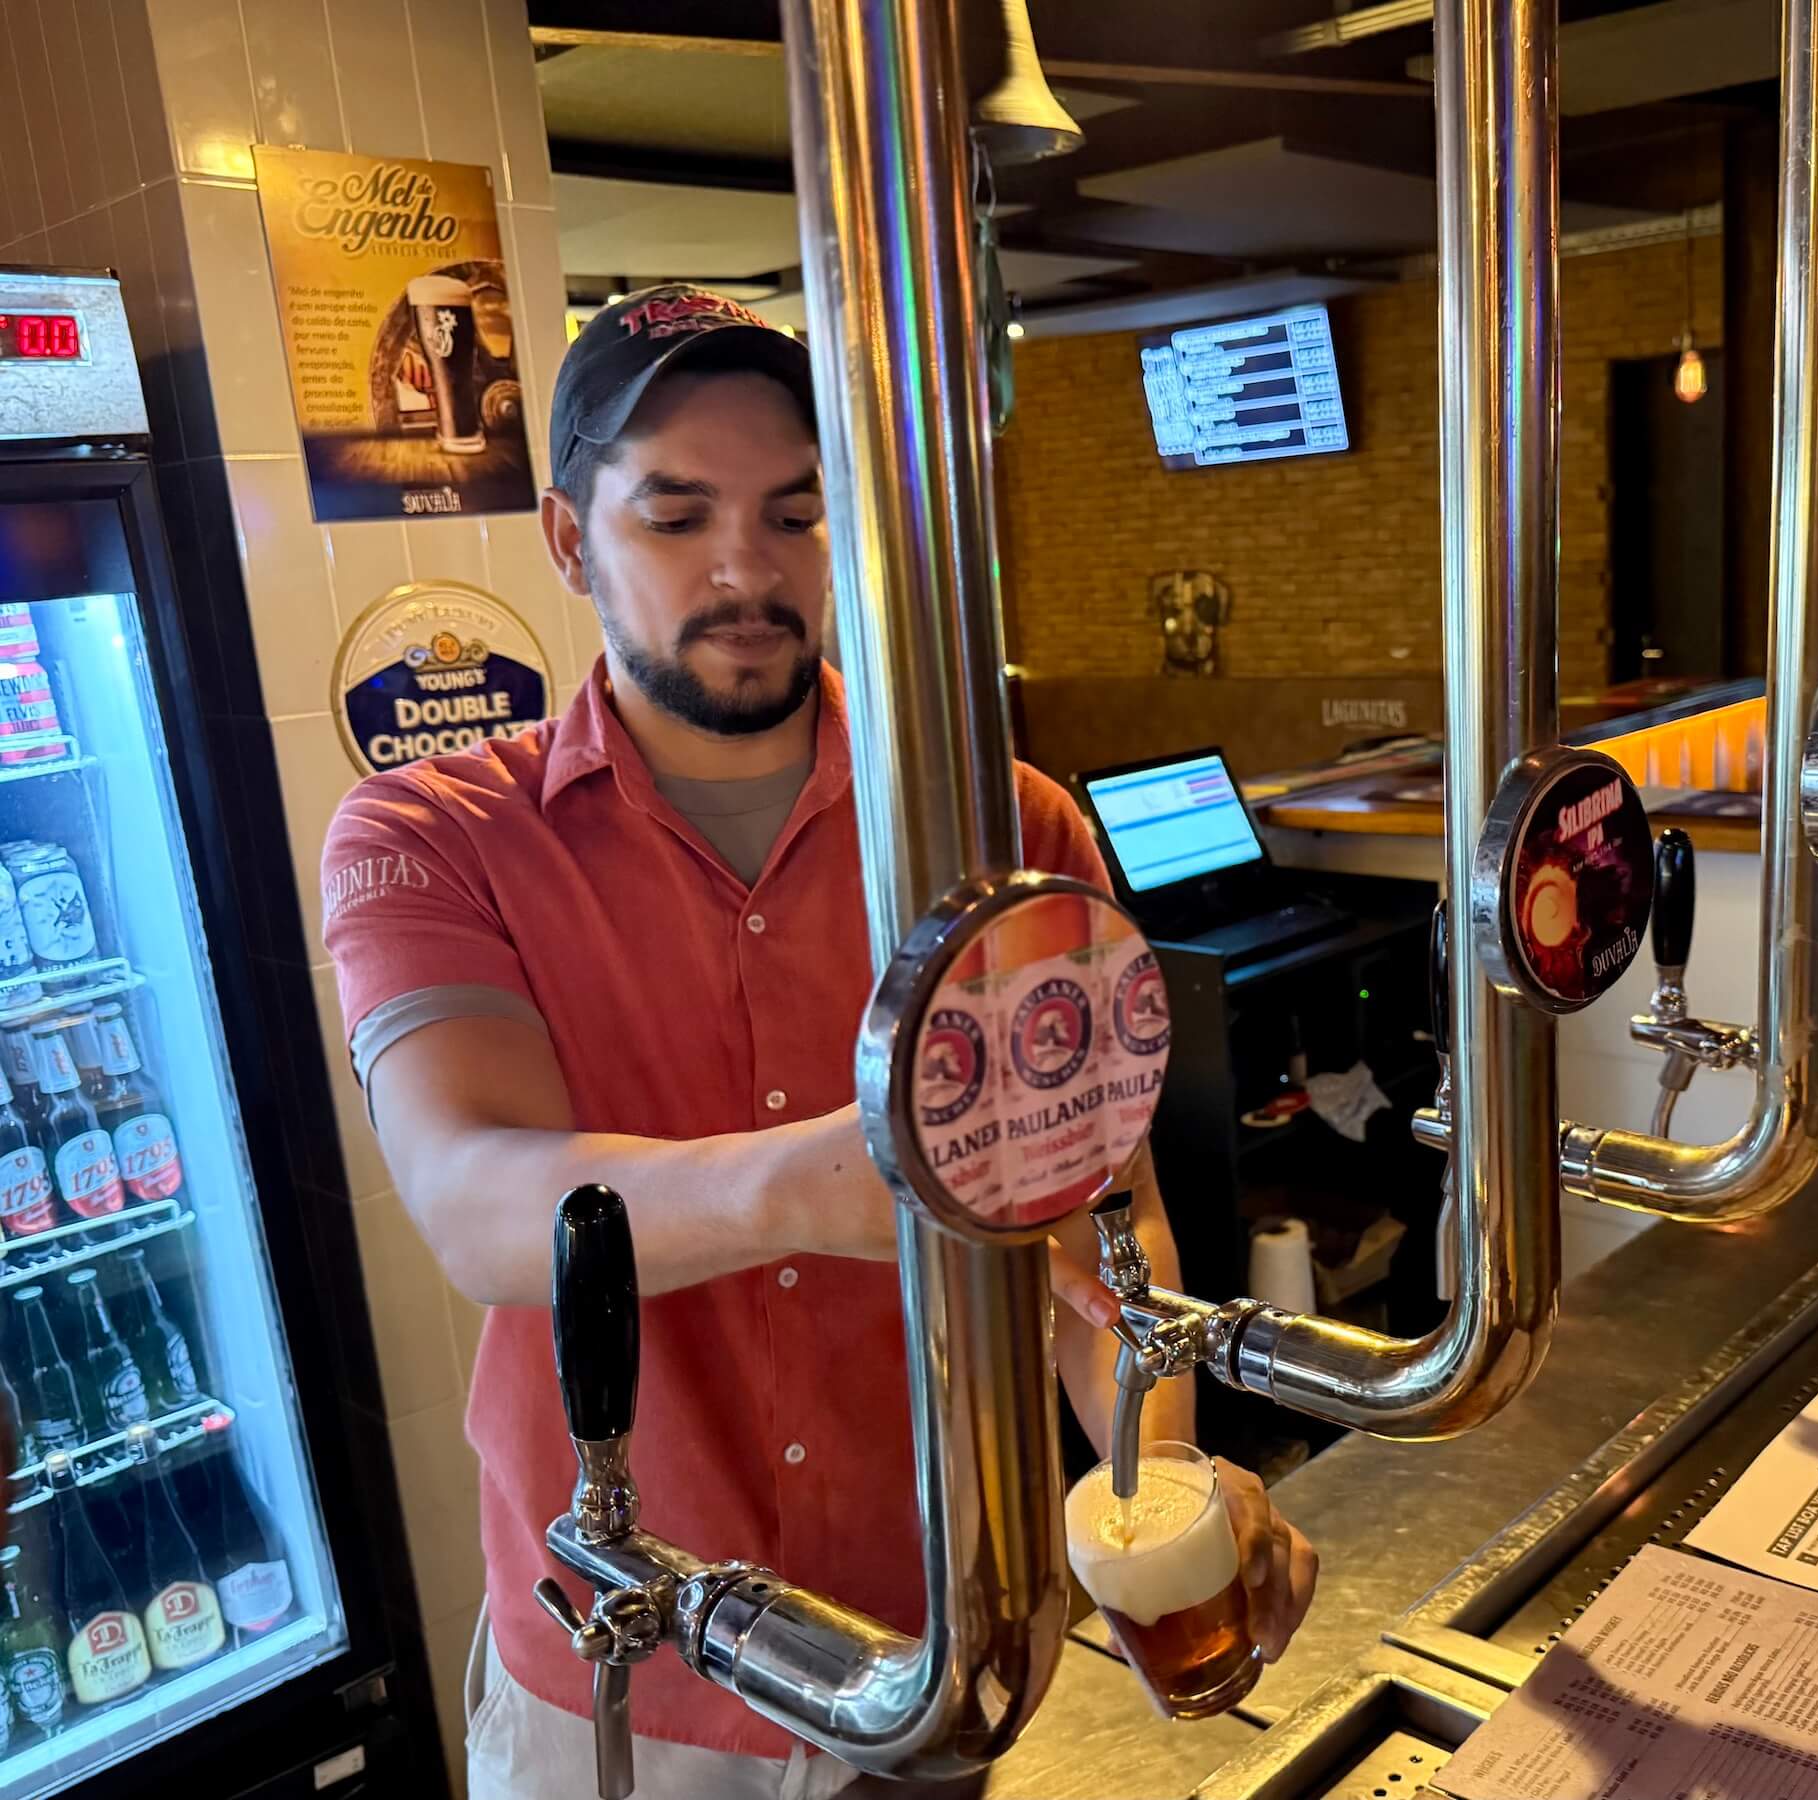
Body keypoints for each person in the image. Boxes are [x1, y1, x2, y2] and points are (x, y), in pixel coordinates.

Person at [320, 285, 1318, 1799]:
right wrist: (837, 1179)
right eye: (677, 517)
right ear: (570, 541)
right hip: (629, 1688)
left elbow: (1100, 1228)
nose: (747, 570)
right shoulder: (434, 834)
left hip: (944, 1630)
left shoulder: (1008, 826)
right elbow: (479, 1201)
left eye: (794, 514)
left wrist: (1159, 1469)